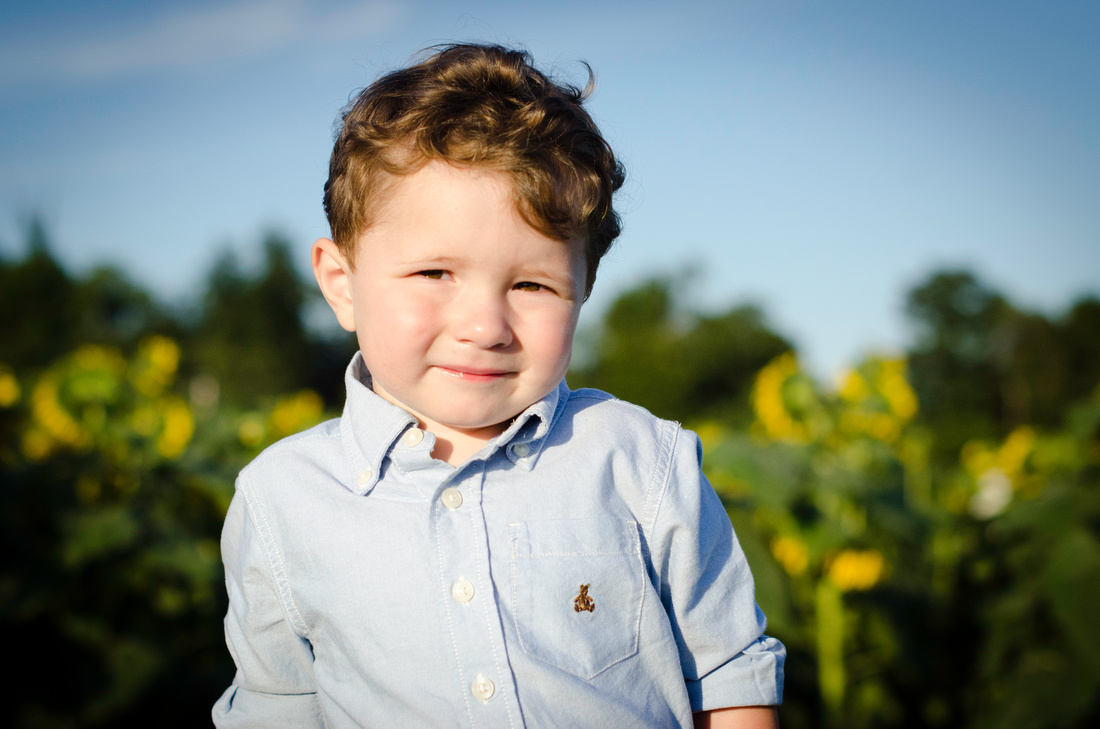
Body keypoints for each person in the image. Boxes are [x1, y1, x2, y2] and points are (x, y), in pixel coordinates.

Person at [212, 43, 784, 729]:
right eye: (434, 274)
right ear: (342, 285)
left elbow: (728, 674)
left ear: (582, 293)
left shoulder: (641, 461)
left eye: (532, 284)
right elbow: (278, 707)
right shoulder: (282, 499)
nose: (485, 325)